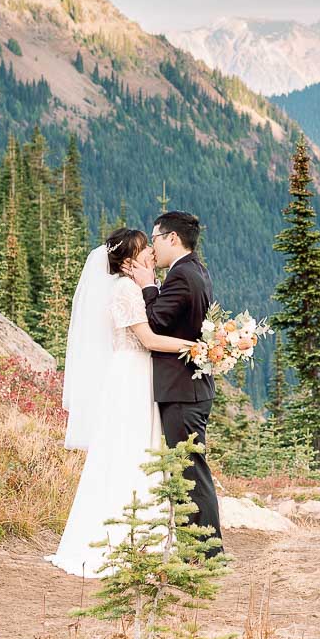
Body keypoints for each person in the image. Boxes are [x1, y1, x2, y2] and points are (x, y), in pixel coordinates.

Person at [46, 227, 194, 578]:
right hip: (132, 376)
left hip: (134, 374)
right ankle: (126, 538)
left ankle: (142, 535)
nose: (151, 252)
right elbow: (148, 339)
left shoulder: (129, 287)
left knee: (136, 448)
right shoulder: (126, 291)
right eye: (144, 248)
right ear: (128, 261)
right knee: (132, 449)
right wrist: (193, 346)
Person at [124, 209, 222, 550]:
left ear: (172, 238)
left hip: (182, 390)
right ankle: (196, 547)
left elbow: (156, 322)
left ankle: (206, 551)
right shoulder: (195, 269)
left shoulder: (181, 275)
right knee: (188, 470)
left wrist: (148, 286)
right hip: (189, 387)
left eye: (154, 239)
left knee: (190, 472)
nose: (152, 248)